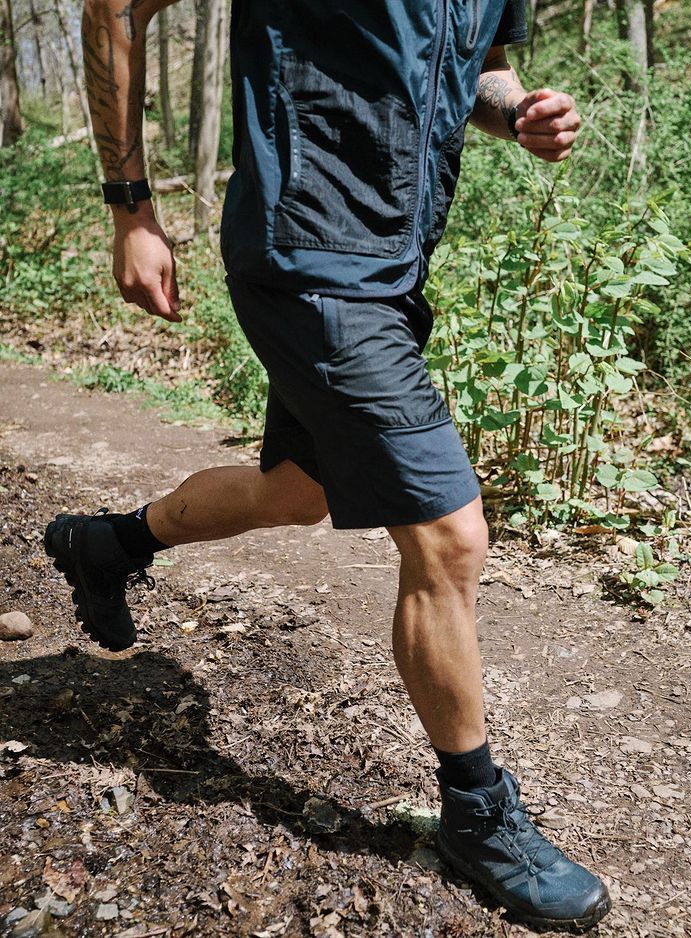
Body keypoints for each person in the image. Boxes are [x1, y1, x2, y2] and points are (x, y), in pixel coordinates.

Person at [46, 0, 611, 930]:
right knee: (448, 533)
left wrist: (518, 114)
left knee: (294, 495)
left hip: (390, 262)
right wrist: (131, 208)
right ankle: (477, 814)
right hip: (310, 255)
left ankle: (106, 544)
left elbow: (477, 64)